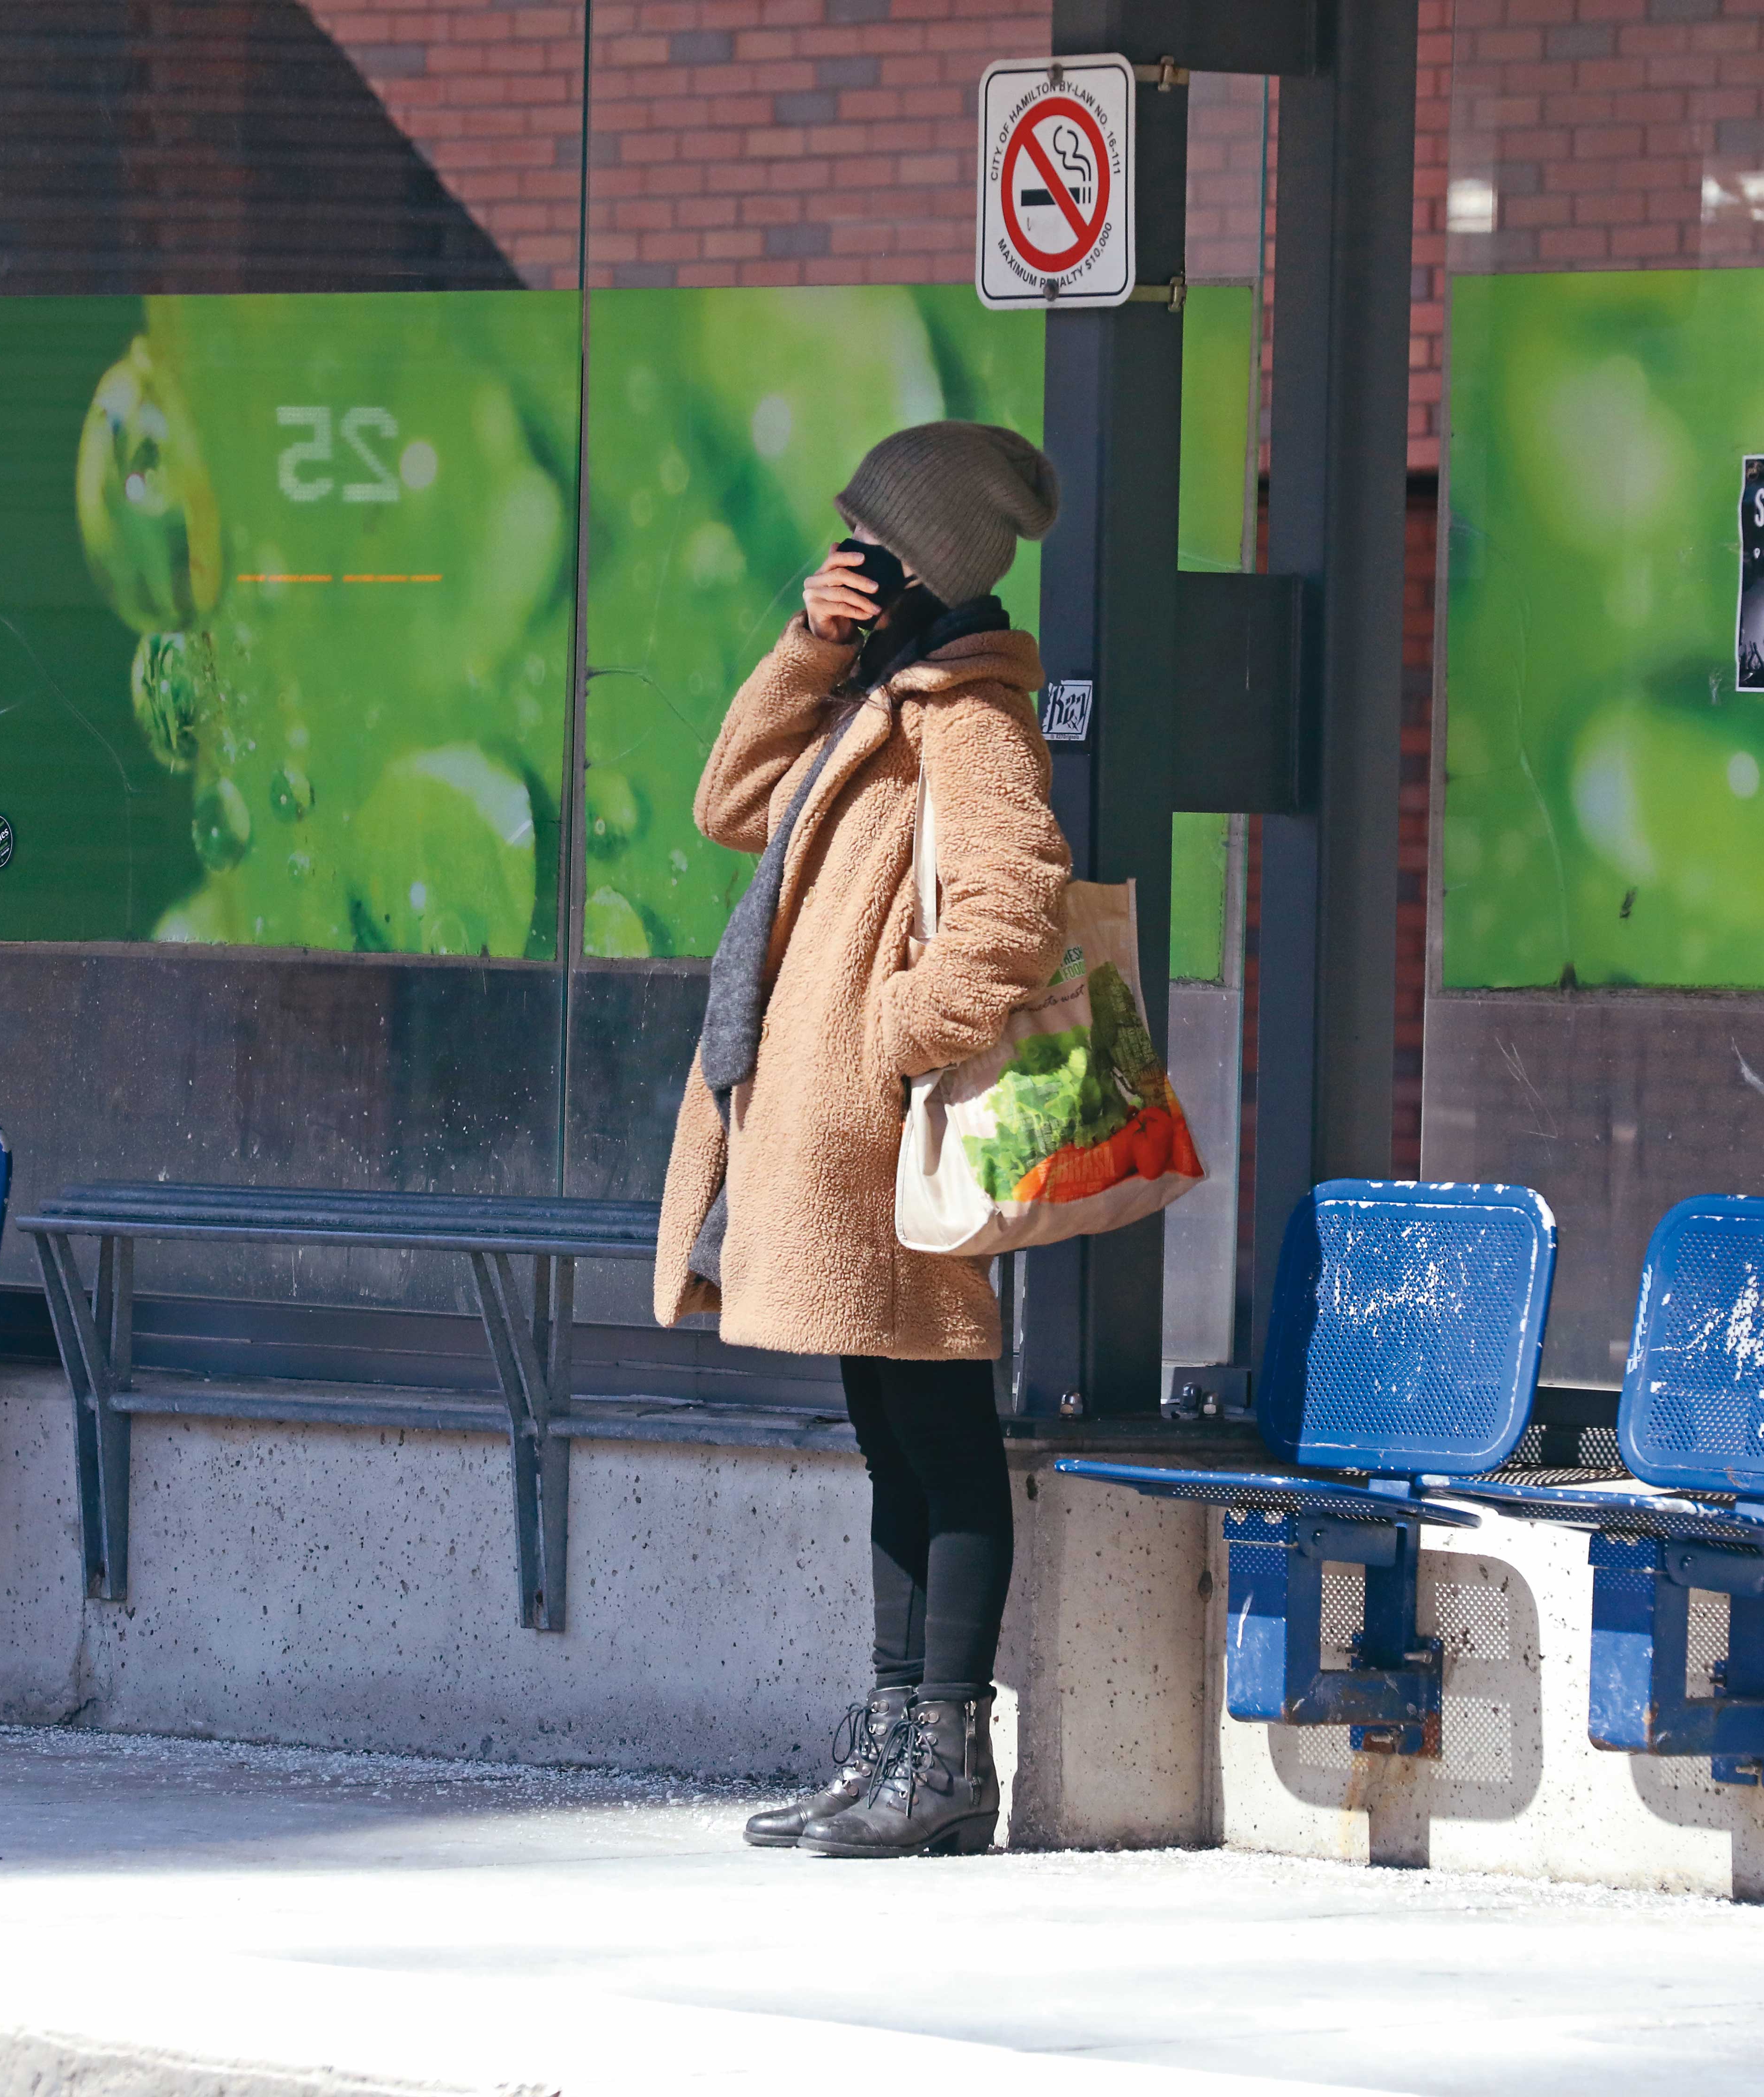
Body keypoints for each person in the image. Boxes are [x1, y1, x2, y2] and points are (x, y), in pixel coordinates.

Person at [652, 420, 1068, 1859]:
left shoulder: (972, 718)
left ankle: (948, 1759)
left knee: (945, 1441)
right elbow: (727, 808)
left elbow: (1011, 925)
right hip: (842, 1153)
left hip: (894, 1147)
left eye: (870, 548)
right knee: (892, 1443)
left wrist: (873, 1048)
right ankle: (894, 1741)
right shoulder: (880, 699)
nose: (844, 565)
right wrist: (806, 648)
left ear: (925, 562)